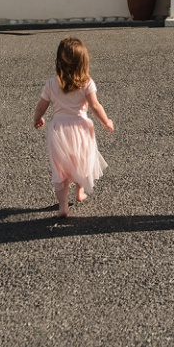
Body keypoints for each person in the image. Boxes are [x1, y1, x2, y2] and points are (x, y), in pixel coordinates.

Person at [32, 37, 115, 218]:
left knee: (60, 168)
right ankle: (79, 192)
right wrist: (107, 121)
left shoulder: (52, 84)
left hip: (59, 130)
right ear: (83, 62)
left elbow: (41, 106)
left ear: (59, 61)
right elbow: (95, 106)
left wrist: (37, 118)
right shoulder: (86, 83)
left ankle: (63, 206)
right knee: (80, 161)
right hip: (81, 129)